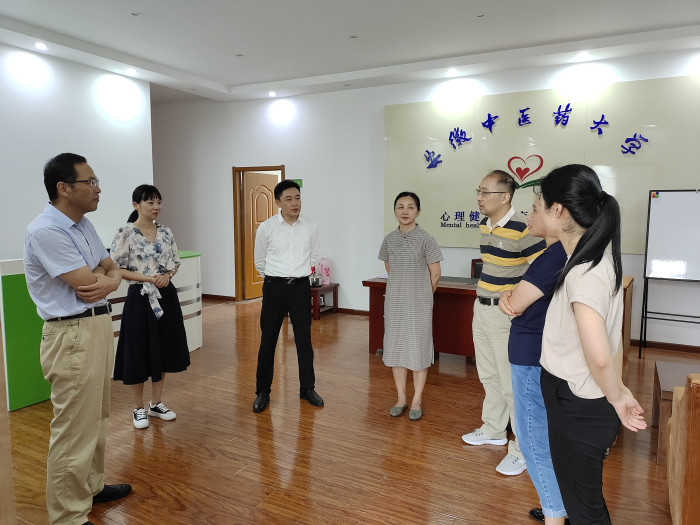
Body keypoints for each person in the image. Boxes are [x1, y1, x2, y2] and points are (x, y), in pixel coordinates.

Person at [24, 153, 132, 525]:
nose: (98, 188)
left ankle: (91, 486)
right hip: (71, 333)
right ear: (64, 188)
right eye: (90, 182)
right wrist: (108, 278)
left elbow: (110, 268)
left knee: (97, 416)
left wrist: (110, 280)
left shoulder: (83, 224)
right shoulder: (46, 231)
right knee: (73, 427)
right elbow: (86, 283)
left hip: (96, 325)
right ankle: (68, 514)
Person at [538, 164, 646, 524]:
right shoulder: (593, 257)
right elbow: (610, 345)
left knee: (585, 510)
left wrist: (617, 397)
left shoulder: (584, 273)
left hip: (578, 405)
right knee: (582, 503)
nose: (535, 209)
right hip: (579, 400)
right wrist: (619, 390)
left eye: (540, 202)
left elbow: (599, 356)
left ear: (558, 210)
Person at [461, 170, 546, 476]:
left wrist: (516, 298)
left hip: (505, 315)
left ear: (505, 197)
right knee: (488, 376)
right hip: (481, 308)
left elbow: (541, 270)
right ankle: (494, 429)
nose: (479, 197)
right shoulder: (486, 225)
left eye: (485, 192)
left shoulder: (523, 228)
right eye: (479, 191)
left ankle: (522, 450)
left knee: (512, 385)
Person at [498, 194, 569, 525]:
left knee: (532, 441)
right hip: (539, 356)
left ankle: (555, 514)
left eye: (535, 209)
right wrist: (510, 297)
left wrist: (507, 296)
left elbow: (515, 303)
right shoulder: (558, 253)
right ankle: (558, 506)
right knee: (543, 438)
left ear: (557, 212)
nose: (529, 215)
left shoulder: (553, 257)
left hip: (531, 360)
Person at [110, 184, 190, 429]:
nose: (156, 207)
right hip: (139, 297)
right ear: (136, 205)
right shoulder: (125, 232)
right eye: (150, 202)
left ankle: (156, 403)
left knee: (162, 348)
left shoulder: (165, 231)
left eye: (159, 202)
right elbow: (116, 269)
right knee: (138, 350)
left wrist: (167, 275)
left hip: (166, 295)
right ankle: (138, 408)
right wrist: (148, 278)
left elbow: (175, 262)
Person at [252, 180, 323, 413]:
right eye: (289, 199)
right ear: (278, 202)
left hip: (300, 288)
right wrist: (275, 279)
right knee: (268, 340)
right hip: (274, 287)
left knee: (304, 340)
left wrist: (298, 276)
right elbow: (260, 261)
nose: (295, 203)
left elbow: (314, 257)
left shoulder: (310, 225)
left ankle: (307, 388)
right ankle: (263, 391)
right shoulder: (266, 228)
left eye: (298, 198)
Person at [378, 192, 443, 421]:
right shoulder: (389, 239)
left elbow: (435, 274)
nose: (405, 211)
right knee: (395, 349)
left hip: (419, 304)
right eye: (400, 206)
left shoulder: (426, 239)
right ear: (395, 210)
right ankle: (401, 399)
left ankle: (416, 400)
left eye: (410, 207)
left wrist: (421, 295)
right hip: (394, 303)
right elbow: (390, 267)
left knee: (418, 349)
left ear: (418, 211)